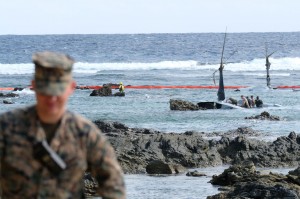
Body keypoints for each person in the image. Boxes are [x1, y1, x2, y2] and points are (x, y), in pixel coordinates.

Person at [0, 51, 126, 199]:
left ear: (71, 87)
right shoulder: (7, 127)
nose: (52, 99)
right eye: (46, 91)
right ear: (34, 86)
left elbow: (114, 186)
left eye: (57, 91)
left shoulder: (85, 133)